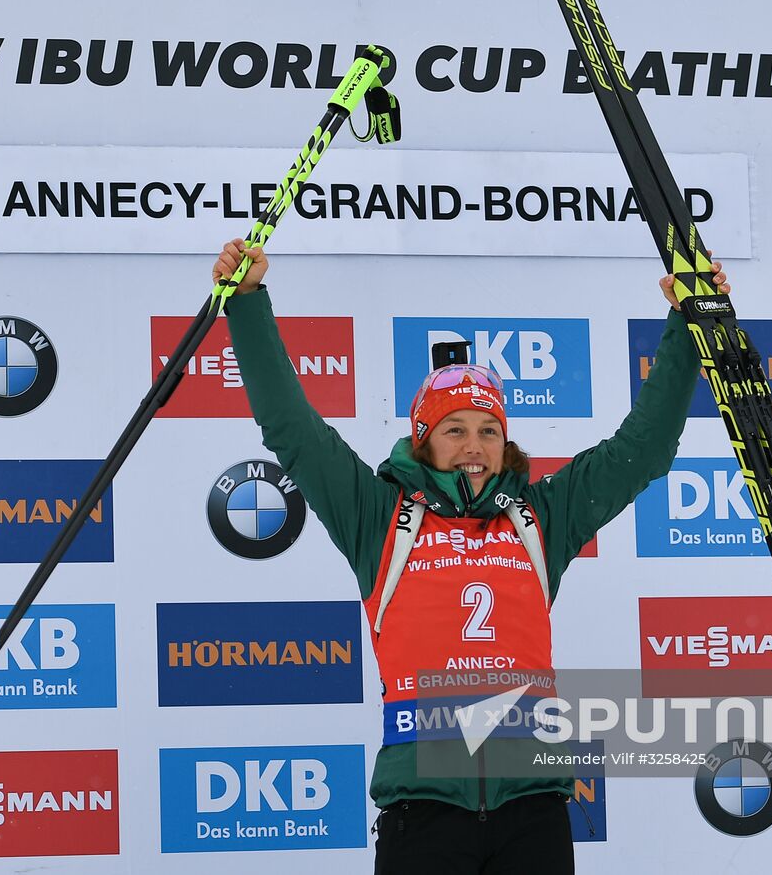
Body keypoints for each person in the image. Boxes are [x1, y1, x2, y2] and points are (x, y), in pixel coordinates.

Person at [213, 238, 728, 874]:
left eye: (488, 430)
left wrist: (686, 324)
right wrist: (246, 303)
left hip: (532, 810)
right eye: (454, 429)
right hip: (422, 811)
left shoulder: (542, 517)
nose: (474, 445)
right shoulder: (379, 518)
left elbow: (643, 450)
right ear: (423, 443)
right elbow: (294, 429)